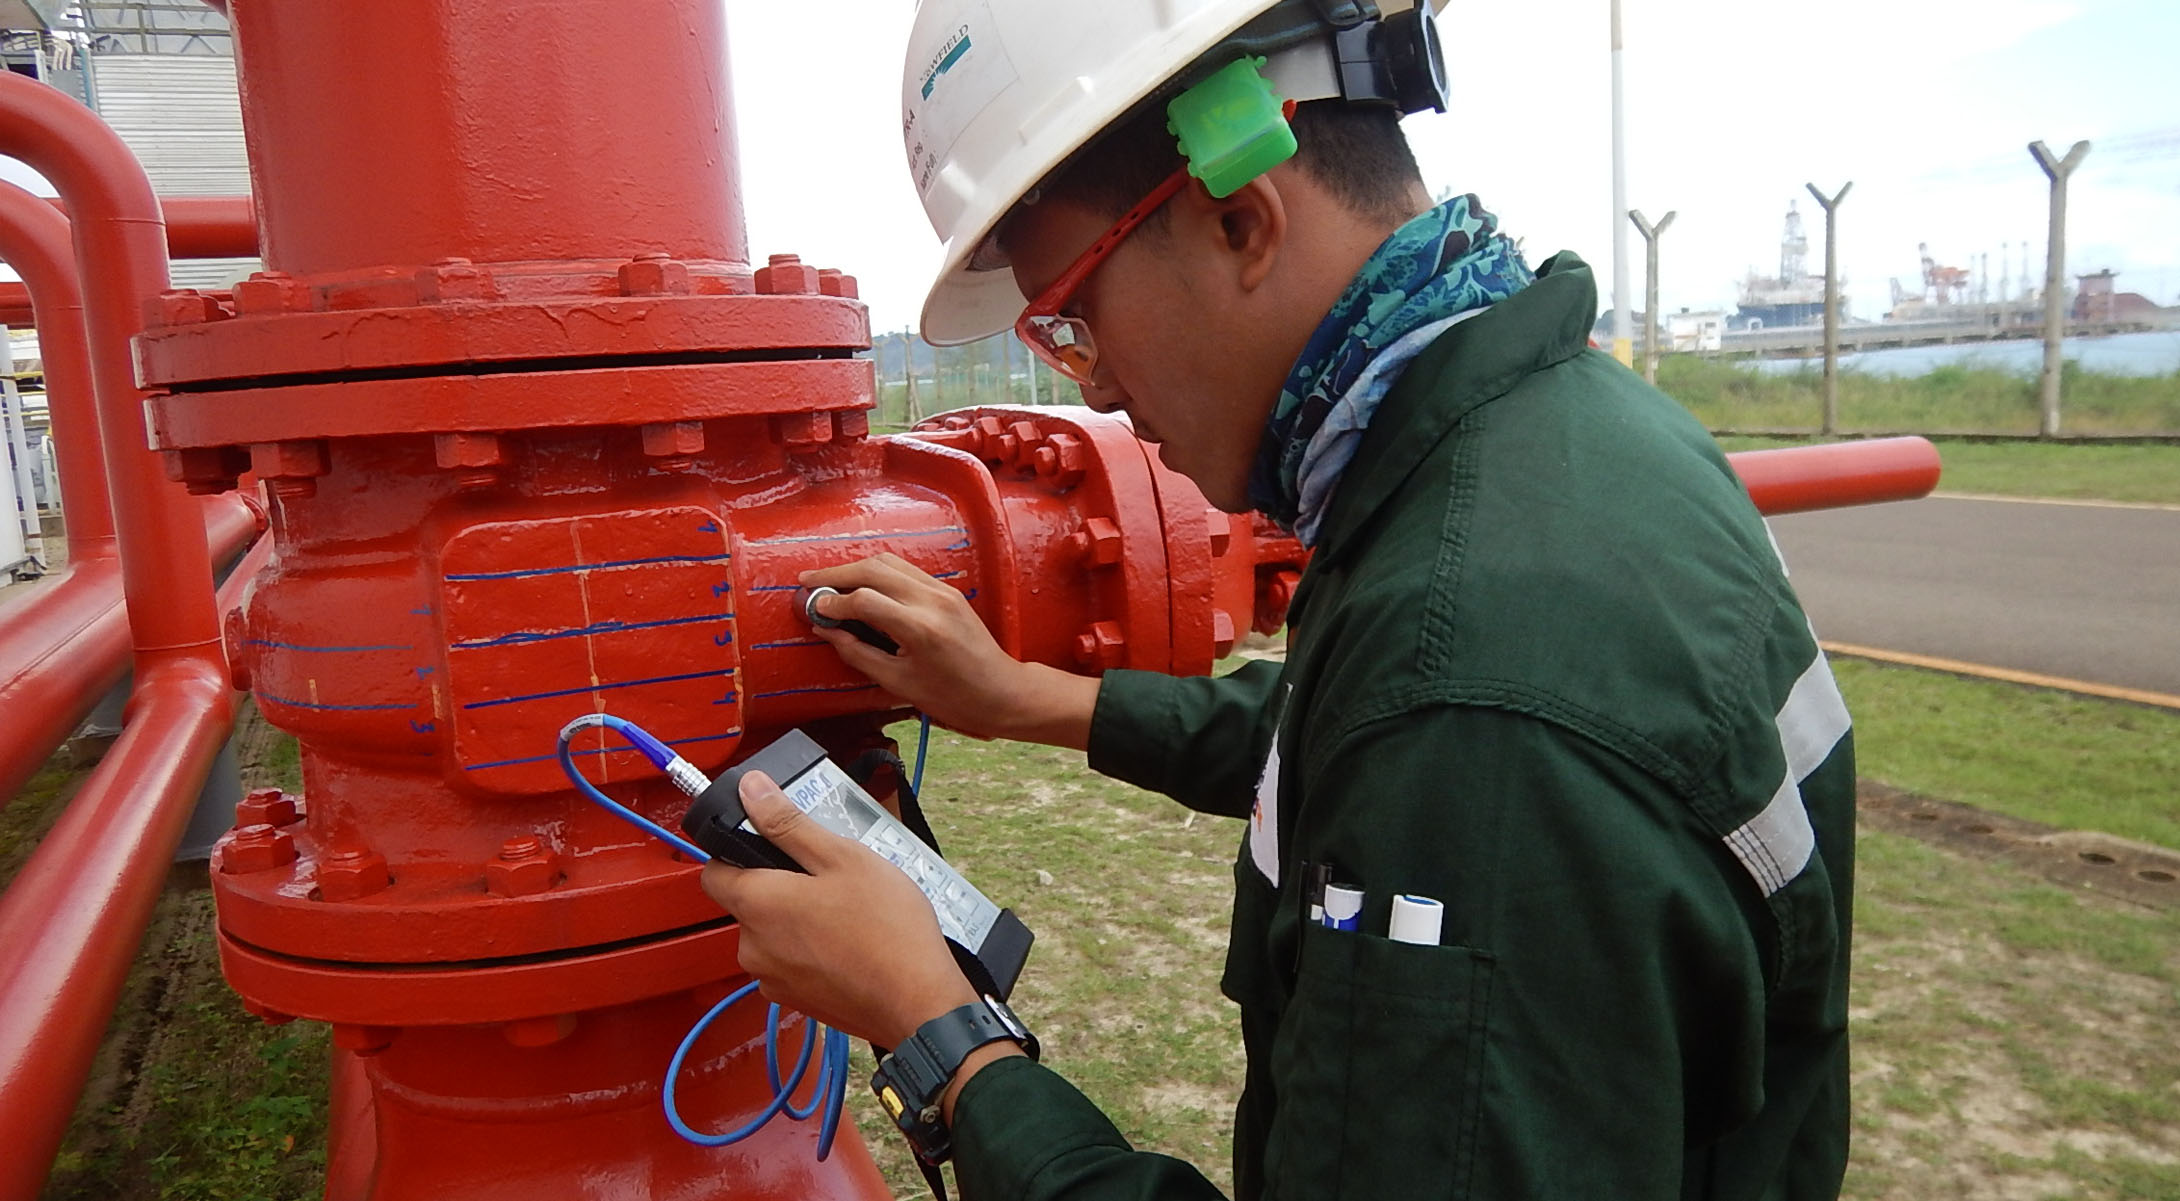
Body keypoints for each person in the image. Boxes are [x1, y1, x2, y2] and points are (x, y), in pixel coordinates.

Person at [702, 3, 1856, 1198]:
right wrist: (1024, 698)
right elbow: (1349, 736)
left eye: (1073, 322)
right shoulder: (1576, 436)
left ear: (1238, 218)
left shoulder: (1465, 691)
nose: (1096, 387)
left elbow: (1441, 730)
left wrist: (940, 1029)